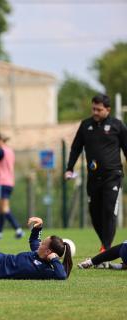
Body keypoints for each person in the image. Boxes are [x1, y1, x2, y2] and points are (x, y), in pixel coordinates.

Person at [65, 94, 127, 252]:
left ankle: (105, 248)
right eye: (93, 109)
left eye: (99, 109)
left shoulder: (117, 125)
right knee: (95, 214)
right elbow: (76, 148)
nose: (95, 112)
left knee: (108, 210)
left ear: (108, 109)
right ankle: (105, 246)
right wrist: (70, 168)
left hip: (113, 176)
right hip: (93, 178)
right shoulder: (86, 125)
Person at [0, 132, 24, 239]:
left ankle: (18, 229)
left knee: (4, 208)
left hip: (2, 182)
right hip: (10, 182)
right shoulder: (10, 151)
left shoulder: (0, 151)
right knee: (1, 209)